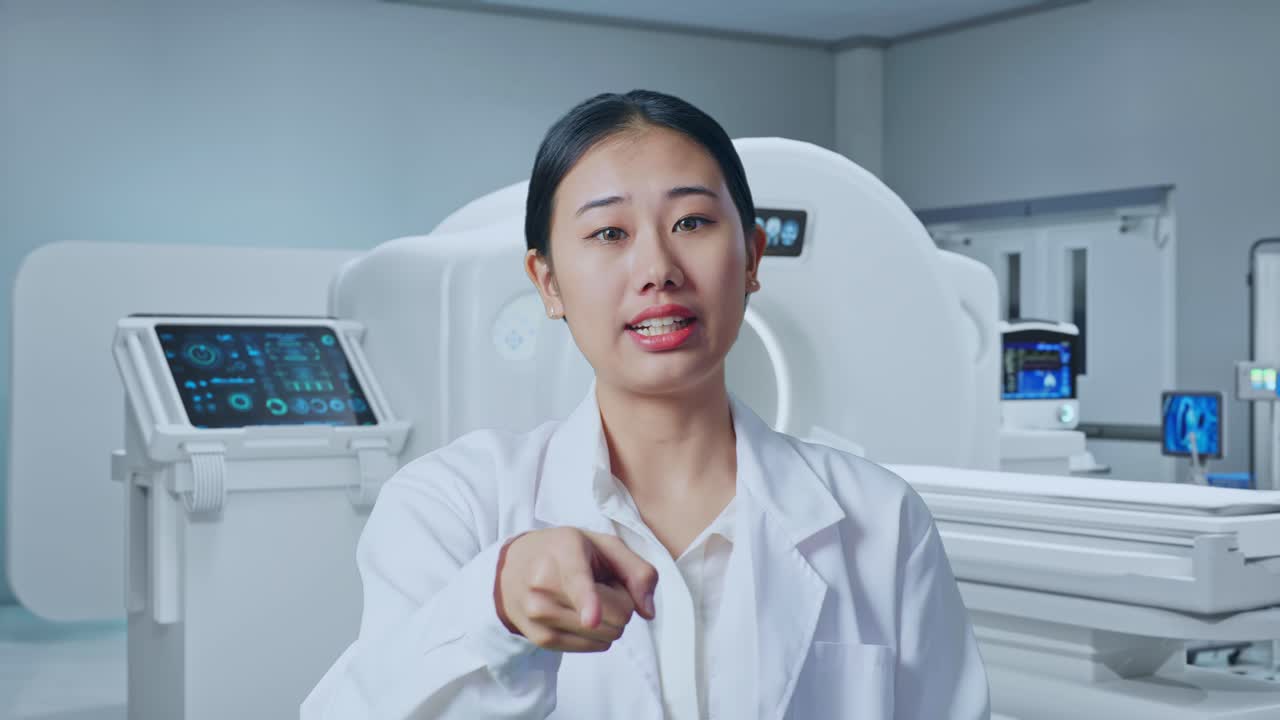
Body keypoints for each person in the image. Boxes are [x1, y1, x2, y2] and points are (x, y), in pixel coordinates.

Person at [302, 89, 990, 719]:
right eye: (609, 234)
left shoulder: (880, 521)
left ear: (751, 257)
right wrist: (496, 605)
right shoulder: (455, 504)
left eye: (692, 222)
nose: (658, 268)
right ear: (547, 282)